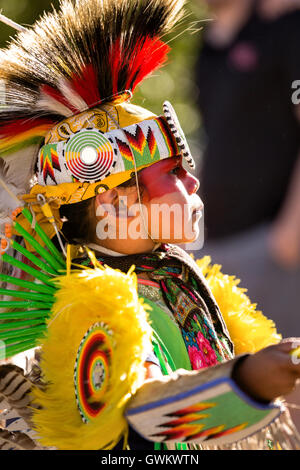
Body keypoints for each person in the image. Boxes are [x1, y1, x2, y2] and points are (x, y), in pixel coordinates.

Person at [0, 0, 300, 451]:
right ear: (115, 201)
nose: (193, 179)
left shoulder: (169, 272)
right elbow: (127, 424)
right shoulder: (89, 302)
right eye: (174, 172)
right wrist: (247, 383)